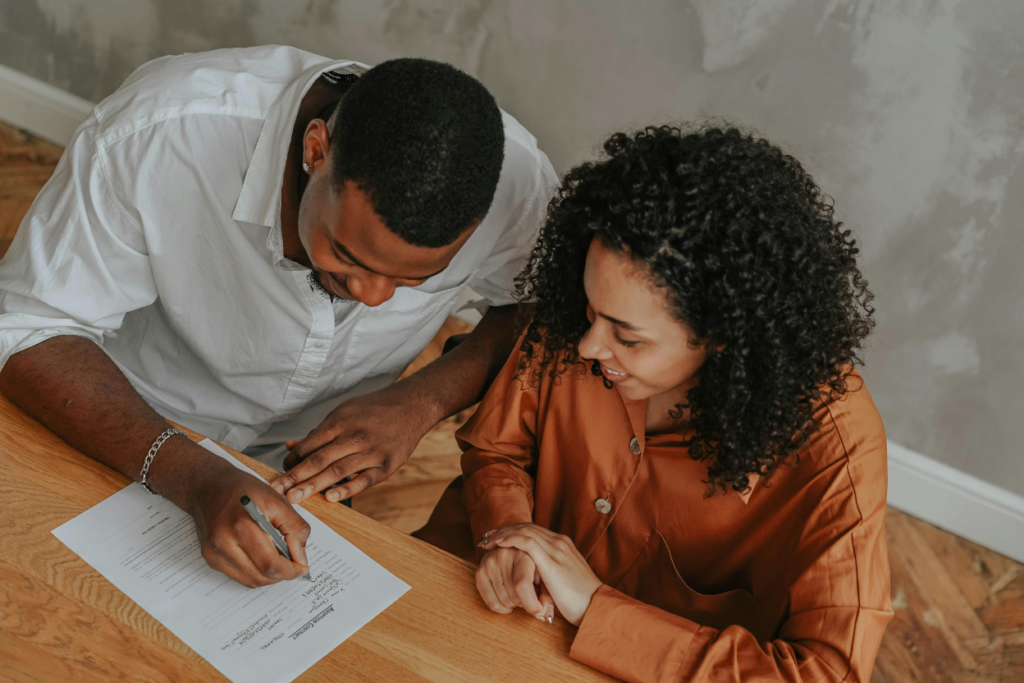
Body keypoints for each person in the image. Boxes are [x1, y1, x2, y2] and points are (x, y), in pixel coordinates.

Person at [0, 46, 557, 589]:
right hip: (118, 419)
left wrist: (422, 402)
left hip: (313, 478)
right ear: (317, 150)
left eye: (415, 280)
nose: (375, 297)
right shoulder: (161, 132)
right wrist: (191, 474)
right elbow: (27, 328)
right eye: (349, 256)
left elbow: (539, 303)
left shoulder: (520, 191)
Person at [416, 125, 892, 682]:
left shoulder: (836, 445)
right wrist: (512, 536)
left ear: (723, 334)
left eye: (628, 337)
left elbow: (825, 674)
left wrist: (597, 608)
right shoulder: (587, 313)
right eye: (591, 314)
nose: (589, 346)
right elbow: (497, 451)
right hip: (476, 602)